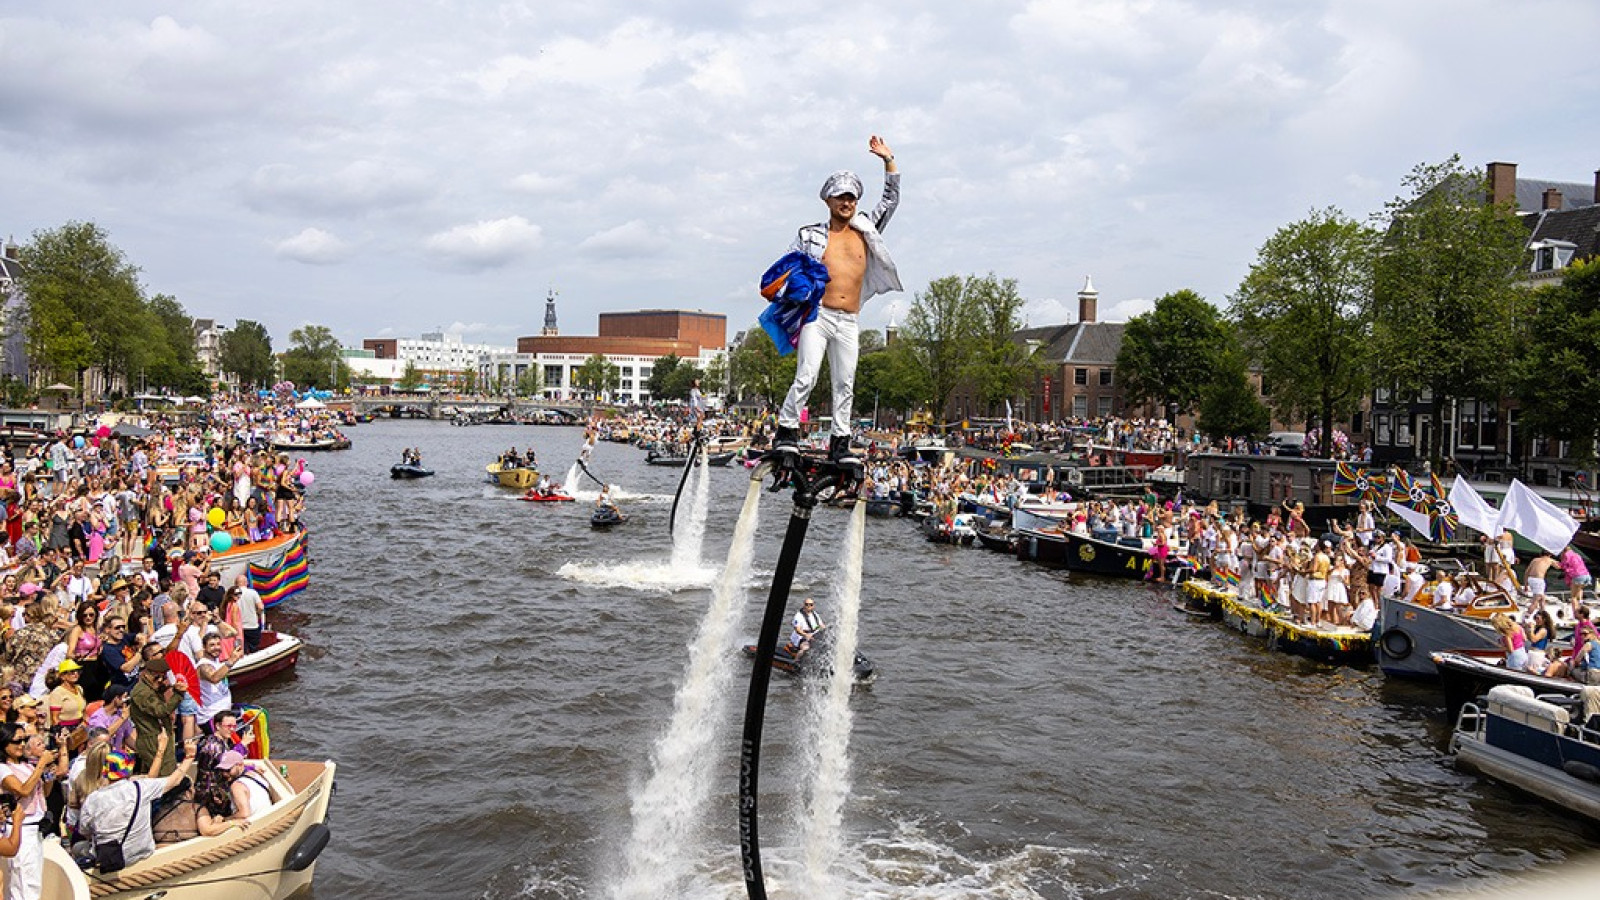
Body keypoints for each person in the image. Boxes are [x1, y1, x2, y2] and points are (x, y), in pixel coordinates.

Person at [773, 135, 902, 464]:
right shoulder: (811, 235)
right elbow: (785, 270)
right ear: (828, 201)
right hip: (818, 315)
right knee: (808, 375)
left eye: (851, 198)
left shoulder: (866, 230)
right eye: (840, 197)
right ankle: (786, 430)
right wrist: (793, 295)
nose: (847, 203)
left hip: (849, 318)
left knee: (845, 382)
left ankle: (840, 442)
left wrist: (888, 160)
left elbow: (890, 200)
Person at [74, 732, 199, 871]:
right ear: (128, 770)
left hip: (108, 858)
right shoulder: (141, 788)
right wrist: (189, 757)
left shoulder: (93, 799)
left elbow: (84, 829)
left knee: (78, 848)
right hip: (140, 855)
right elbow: (174, 781)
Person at [0, 721, 67, 899]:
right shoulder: (2, 769)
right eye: (16, 741)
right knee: (23, 882)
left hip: (35, 828)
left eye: (24, 740)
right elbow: (22, 790)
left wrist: (48, 773)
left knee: (29, 880)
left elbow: (43, 793)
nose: (21, 745)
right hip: (19, 828)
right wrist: (40, 766)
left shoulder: (27, 765)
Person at [129, 653, 186, 776]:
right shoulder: (142, 692)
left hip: (160, 736)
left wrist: (170, 688)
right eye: (157, 677)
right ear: (147, 673)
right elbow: (161, 711)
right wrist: (178, 695)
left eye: (163, 677)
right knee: (165, 775)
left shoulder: (150, 687)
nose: (160, 681)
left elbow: (157, 692)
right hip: (153, 740)